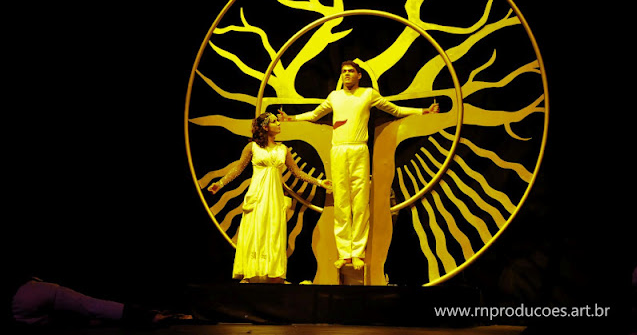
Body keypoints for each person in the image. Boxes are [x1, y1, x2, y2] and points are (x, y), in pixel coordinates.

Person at [278, 61, 439, 270]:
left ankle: (357, 253)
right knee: (341, 202)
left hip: (359, 150)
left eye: (350, 71)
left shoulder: (368, 94)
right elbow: (315, 115)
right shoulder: (334, 96)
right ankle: (345, 253)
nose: (346, 74)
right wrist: (291, 118)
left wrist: (423, 112)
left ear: (359, 75)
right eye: (344, 71)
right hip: (338, 150)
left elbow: (396, 110)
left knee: (360, 202)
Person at [208, 112, 332, 283]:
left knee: (274, 232)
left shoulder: (283, 149)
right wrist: (220, 183)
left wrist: (319, 182)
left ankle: (274, 274)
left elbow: (297, 172)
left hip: (275, 196)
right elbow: (238, 168)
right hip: (258, 195)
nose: (278, 123)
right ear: (265, 127)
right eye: (274, 121)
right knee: (255, 230)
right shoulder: (252, 147)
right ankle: (250, 273)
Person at [9, 275, 192, 328]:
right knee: (92, 306)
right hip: (28, 293)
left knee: (79, 319)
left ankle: (146, 317)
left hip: (19, 310)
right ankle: (149, 316)